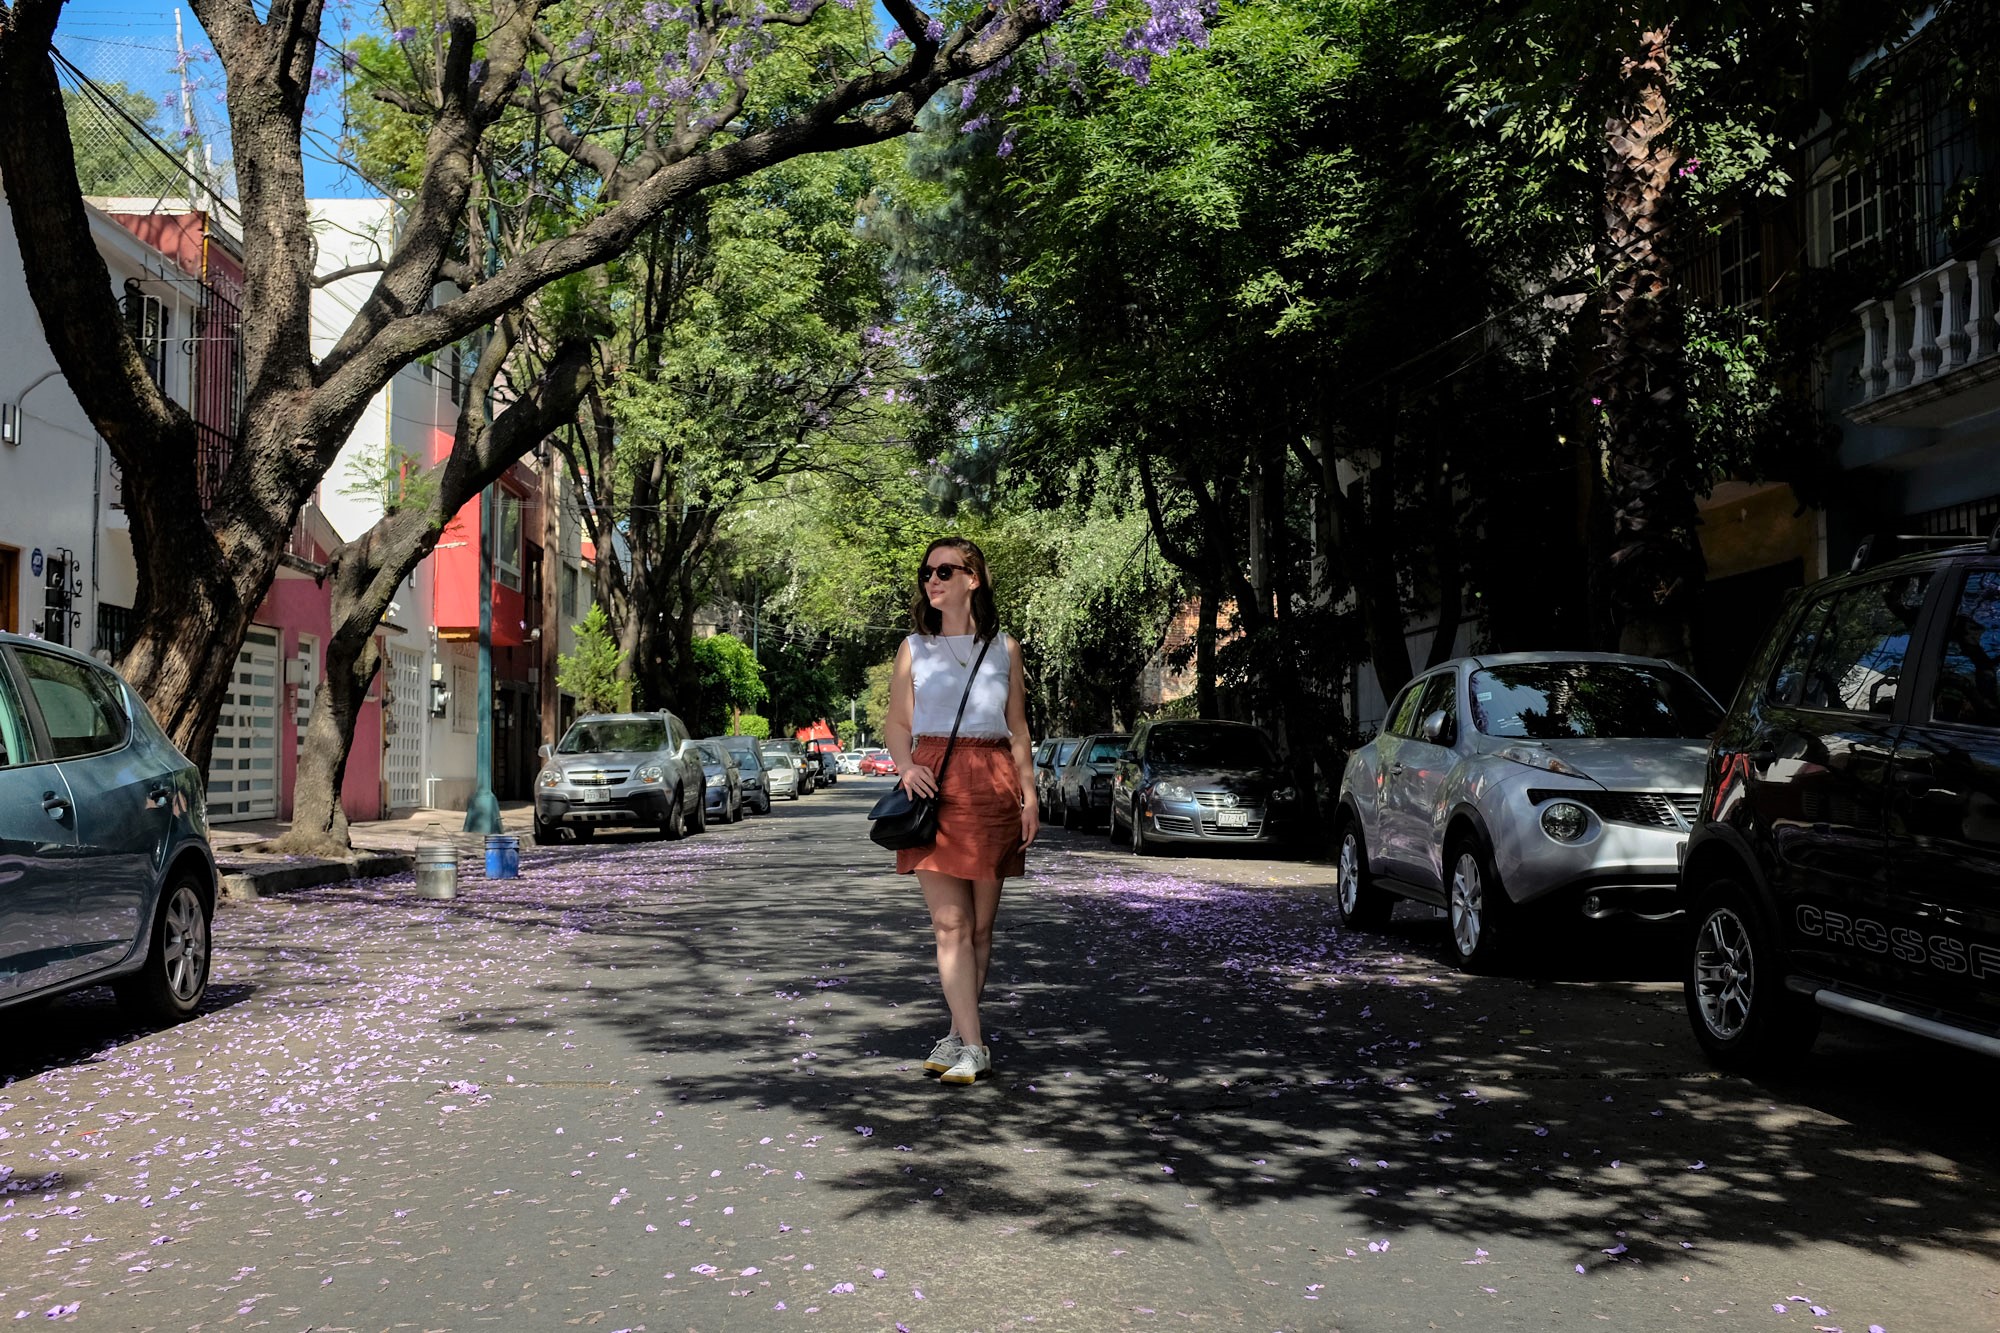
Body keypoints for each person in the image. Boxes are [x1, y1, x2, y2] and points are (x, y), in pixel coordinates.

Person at [883, 536, 1038, 1085]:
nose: (933, 580)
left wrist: (1030, 794)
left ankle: (955, 1033)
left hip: (993, 781)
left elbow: (1018, 729)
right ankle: (974, 1045)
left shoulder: (1005, 649)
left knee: (980, 929)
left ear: (973, 579)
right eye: (927, 573)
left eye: (945, 571)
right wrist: (905, 766)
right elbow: (897, 724)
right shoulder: (913, 649)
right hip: (933, 783)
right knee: (950, 923)